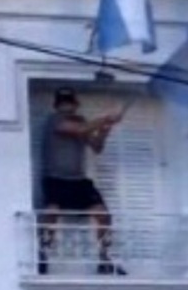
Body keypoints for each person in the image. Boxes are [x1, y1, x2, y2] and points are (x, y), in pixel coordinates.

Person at [38, 87, 126, 275]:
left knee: (103, 214)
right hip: (56, 179)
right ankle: (43, 253)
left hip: (78, 181)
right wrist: (108, 118)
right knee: (51, 212)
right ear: (57, 105)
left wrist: (105, 130)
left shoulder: (82, 122)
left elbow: (97, 146)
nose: (66, 107)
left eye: (68, 103)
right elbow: (80, 129)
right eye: (62, 103)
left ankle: (104, 258)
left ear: (75, 104)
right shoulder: (55, 120)